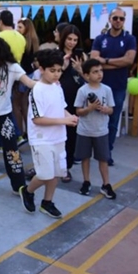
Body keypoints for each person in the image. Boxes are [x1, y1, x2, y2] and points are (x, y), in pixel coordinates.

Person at [19, 49, 78, 218]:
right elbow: (38, 119)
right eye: (52, 70)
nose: (56, 74)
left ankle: (47, 202)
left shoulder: (57, 87)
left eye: (59, 70)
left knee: (57, 173)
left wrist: (70, 116)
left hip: (59, 137)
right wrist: (64, 121)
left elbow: (62, 107)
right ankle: (28, 191)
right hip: (41, 139)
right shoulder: (37, 90)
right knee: (45, 174)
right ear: (42, 69)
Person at [0, 35, 34, 193]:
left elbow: (30, 83)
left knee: (12, 151)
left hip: (5, 116)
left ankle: (18, 184)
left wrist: (48, 84)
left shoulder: (12, 67)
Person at [90, 8, 137, 166]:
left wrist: (106, 61)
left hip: (118, 86)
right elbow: (94, 59)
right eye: (115, 18)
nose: (118, 21)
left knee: (112, 121)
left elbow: (129, 60)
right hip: (99, 86)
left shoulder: (129, 39)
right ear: (110, 19)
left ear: (124, 21)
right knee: (94, 118)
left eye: (121, 19)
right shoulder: (100, 38)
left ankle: (106, 152)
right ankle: (92, 150)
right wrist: (117, 62)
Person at [75, 59, 116, 199]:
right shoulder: (82, 90)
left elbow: (111, 109)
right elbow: (78, 111)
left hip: (101, 131)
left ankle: (106, 184)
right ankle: (86, 181)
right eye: (95, 72)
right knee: (85, 157)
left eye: (101, 71)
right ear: (86, 75)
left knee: (103, 158)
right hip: (84, 130)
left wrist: (105, 109)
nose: (99, 74)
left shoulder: (107, 89)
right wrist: (89, 108)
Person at [58, 24, 87, 182]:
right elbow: (51, 77)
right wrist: (63, 67)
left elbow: (90, 78)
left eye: (75, 40)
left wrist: (80, 69)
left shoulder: (81, 55)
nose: (72, 43)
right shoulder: (57, 54)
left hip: (76, 98)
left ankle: (67, 167)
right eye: (69, 39)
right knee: (59, 133)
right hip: (60, 98)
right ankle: (58, 165)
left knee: (71, 133)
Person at [14, 18, 40, 142]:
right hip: (29, 74)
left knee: (16, 105)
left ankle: (20, 132)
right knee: (25, 104)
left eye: (20, 27)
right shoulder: (34, 41)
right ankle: (29, 131)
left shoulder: (22, 41)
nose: (17, 29)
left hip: (21, 75)